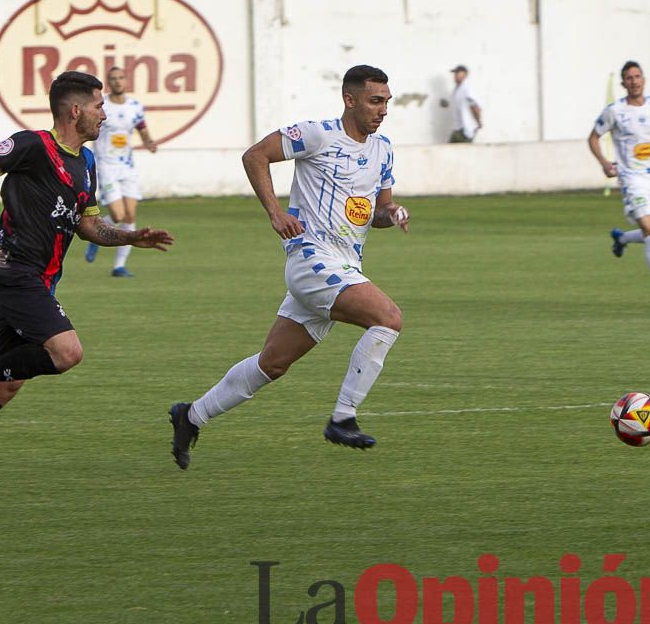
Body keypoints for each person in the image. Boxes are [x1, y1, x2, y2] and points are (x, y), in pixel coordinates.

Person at [0, 70, 175, 494]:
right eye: (99, 107)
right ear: (75, 110)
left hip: (40, 283)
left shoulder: (86, 163)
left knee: (6, 386)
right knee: (66, 352)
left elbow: (89, 226)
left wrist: (131, 236)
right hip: (14, 274)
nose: (105, 115)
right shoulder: (32, 146)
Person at [168, 65, 409, 470]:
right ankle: (342, 418)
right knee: (388, 318)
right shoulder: (318, 134)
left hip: (344, 264)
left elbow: (379, 210)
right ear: (350, 100)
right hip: (312, 260)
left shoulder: (382, 149)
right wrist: (275, 212)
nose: (382, 109)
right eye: (374, 101)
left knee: (272, 364)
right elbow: (255, 155)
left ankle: (190, 416)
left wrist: (394, 213)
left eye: (386, 101)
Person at [587, 60, 650, 309]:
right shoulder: (615, 111)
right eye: (629, 78)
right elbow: (594, 137)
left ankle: (623, 239)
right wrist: (604, 162)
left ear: (644, 79)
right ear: (623, 83)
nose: (634, 81)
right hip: (632, 180)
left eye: (637, 76)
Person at [83, 66, 159, 278]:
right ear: (108, 82)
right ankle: (94, 234)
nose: (117, 82)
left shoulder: (135, 106)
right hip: (105, 166)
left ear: (126, 81)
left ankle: (119, 266)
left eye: (121, 78)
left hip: (127, 167)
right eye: (113, 78)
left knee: (130, 215)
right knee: (118, 214)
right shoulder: (101, 105)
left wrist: (149, 143)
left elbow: (142, 130)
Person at [440, 65, 483, 143]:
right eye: (455, 73)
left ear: (465, 74)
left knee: (456, 152)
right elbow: (456, 105)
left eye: (458, 73)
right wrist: (446, 104)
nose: (455, 76)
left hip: (465, 129)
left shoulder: (467, 89)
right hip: (458, 129)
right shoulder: (457, 89)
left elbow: (474, 107)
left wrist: (478, 122)